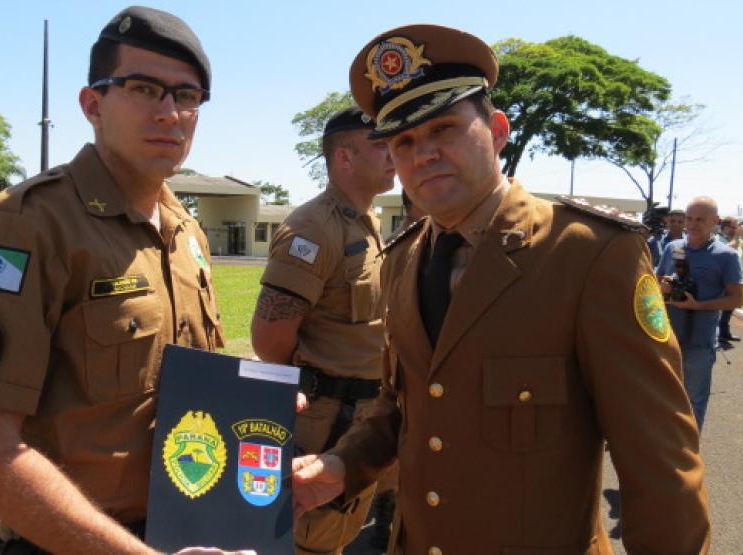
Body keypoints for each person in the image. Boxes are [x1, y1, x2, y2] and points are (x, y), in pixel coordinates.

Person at [292, 24, 710, 554]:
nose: (423, 154)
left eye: (443, 128)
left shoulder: (588, 253)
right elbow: (401, 405)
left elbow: (659, 457)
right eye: (404, 141)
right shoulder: (400, 260)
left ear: (496, 130)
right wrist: (342, 465)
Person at [0, 7, 250, 555]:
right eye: (143, 89)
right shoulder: (21, 228)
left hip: (188, 529)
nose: (169, 113)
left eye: (186, 96)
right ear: (93, 104)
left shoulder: (185, 231)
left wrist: (249, 408)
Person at [251, 107, 394, 554]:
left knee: (343, 536)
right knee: (310, 541)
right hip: (327, 419)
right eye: (381, 144)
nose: (394, 153)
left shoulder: (366, 222)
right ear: (345, 157)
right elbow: (270, 339)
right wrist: (317, 380)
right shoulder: (314, 227)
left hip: (365, 415)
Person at [658, 198, 743, 431]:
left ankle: (690, 448)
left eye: (700, 220)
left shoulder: (726, 255)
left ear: (715, 221)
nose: (692, 225)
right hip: (667, 340)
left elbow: (737, 299)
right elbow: (655, 285)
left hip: (700, 342)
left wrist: (697, 305)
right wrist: (663, 287)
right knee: (664, 397)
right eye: (689, 218)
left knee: (694, 400)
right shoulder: (673, 248)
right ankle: (666, 446)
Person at [716, 215, 743, 343]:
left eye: (737, 227)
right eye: (733, 227)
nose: (736, 229)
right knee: (723, 306)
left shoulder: (736, 239)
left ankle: (724, 332)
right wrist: (737, 236)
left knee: (730, 306)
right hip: (723, 279)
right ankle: (718, 333)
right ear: (724, 228)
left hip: (735, 277)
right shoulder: (718, 239)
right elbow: (730, 249)